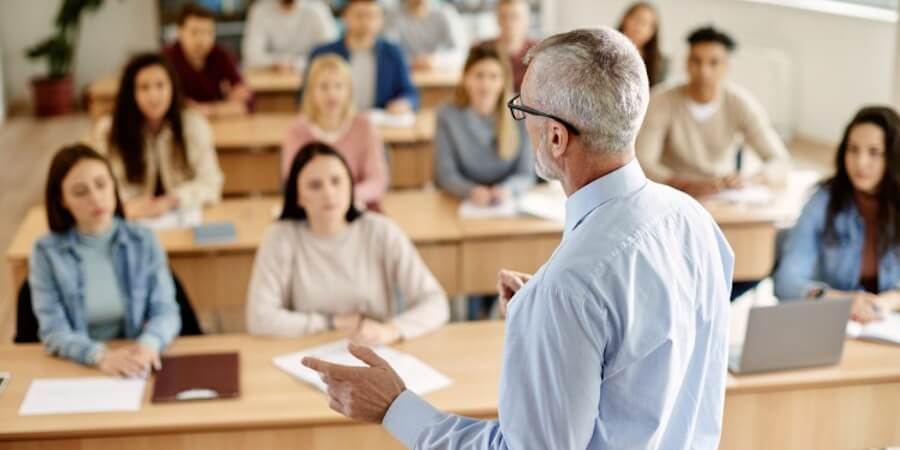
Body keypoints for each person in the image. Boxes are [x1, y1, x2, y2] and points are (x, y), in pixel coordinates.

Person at [303, 27, 734, 449]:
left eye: (522, 110)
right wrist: (552, 318)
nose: (520, 122)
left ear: (556, 137)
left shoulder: (571, 287)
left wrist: (394, 407)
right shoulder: (695, 220)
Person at [246, 142, 448, 344]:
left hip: (374, 350)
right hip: (306, 350)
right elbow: (260, 318)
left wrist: (391, 330)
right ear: (298, 196)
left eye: (336, 181)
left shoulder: (380, 231)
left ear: (350, 185)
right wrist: (329, 323)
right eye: (315, 185)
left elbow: (435, 302)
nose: (329, 193)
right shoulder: (280, 237)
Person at [29, 144, 181, 377]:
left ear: (114, 185)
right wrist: (100, 356)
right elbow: (53, 331)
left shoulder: (144, 241)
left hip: (136, 361)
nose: (96, 198)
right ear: (62, 200)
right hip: (79, 364)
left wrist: (148, 344)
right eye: (81, 192)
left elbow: (166, 311)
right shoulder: (46, 252)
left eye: (101, 184)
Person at [774, 106, 900, 323]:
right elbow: (786, 282)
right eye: (853, 149)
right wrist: (841, 301)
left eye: (874, 152)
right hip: (830, 324)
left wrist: (886, 302)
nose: (860, 162)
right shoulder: (822, 202)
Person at [635, 26, 790, 198]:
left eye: (714, 63)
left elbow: (780, 161)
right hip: (671, 192)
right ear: (686, 62)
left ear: (727, 66)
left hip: (721, 194)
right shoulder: (661, 100)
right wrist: (684, 184)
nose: (704, 71)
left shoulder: (741, 103)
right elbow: (643, 162)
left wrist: (750, 180)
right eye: (696, 61)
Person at [87, 53, 224, 219]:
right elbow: (99, 185)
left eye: (160, 85)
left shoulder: (194, 125)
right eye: (144, 88)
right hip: (129, 217)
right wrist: (128, 206)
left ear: (172, 87)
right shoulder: (108, 130)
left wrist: (172, 200)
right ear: (131, 93)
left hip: (180, 215)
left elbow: (211, 182)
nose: (153, 96)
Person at [434, 44, 534, 206]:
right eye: (479, 75)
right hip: (463, 201)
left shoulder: (520, 113)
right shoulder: (447, 115)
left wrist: (506, 190)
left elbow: (525, 173)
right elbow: (446, 175)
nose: (485, 84)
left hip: (507, 201)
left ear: (503, 81)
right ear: (465, 78)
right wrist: (470, 191)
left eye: (494, 76)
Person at [283, 54, 388, 207]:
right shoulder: (296, 132)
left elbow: (377, 181)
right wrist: (325, 200)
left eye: (338, 86)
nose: (332, 95)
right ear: (311, 92)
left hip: (358, 207)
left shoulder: (365, 127)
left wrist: (343, 197)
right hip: (313, 211)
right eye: (324, 87)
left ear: (349, 91)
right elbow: (293, 183)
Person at [308, 0, 419, 114]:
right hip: (334, 122)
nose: (366, 22)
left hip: (380, 122)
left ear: (381, 20)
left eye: (372, 16)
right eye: (359, 16)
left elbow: (409, 93)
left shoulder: (394, 53)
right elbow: (306, 96)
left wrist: (404, 103)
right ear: (345, 17)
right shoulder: (322, 54)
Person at [163, 4, 253, 117]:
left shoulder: (220, 55)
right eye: (194, 32)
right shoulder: (166, 59)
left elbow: (246, 102)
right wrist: (224, 107)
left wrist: (207, 110)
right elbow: (170, 105)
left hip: (219, 124)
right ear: (180, 32)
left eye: (208, 32)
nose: (201, 40)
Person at [242, 0, 338, 72]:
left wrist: (295, 64)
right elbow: (251, 56)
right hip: (268, 80)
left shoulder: (318, 9)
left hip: (311, 78)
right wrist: (277, 64)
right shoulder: (260, 10)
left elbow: (330, 53)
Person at [384, 0, 467, 69]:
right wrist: (411, 61)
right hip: (407, 74)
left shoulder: (446, 13)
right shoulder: (393, 17)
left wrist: (435, 60)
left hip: (441, 75)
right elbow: (387, 52)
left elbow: (461, 53)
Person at [479, 0, 536, 93]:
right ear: (497, 19)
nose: (508, 22)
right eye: (503, 16)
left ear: (527, 20)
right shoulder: (482, 50)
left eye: (515, 16)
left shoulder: (538, 53)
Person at [617, 2, 668, 87]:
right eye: (637, 19)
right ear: (624, 19)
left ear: (653, 32)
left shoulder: (661, 64)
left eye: (645, 24)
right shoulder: (601, 50)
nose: (638, 28)